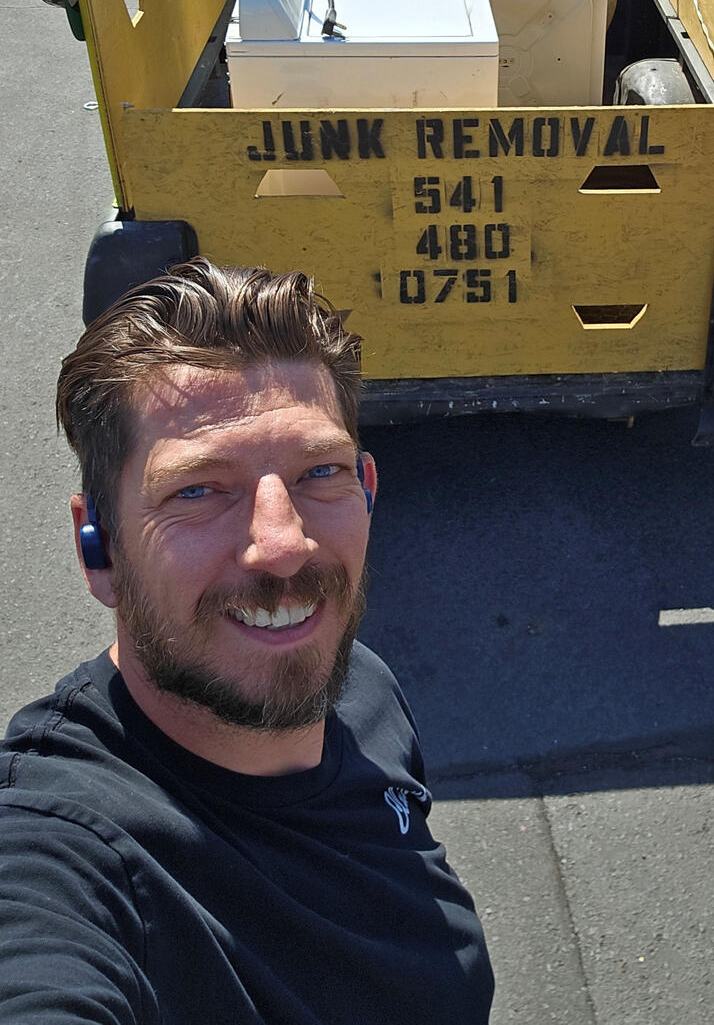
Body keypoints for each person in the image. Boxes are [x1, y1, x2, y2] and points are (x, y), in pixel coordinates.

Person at [0, 259, 494, 1022]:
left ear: (366, 490)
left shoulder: (359, 689)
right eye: (197, 489)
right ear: (98, 547)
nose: (282, 545)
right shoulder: (60, 850)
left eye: (319, 471)